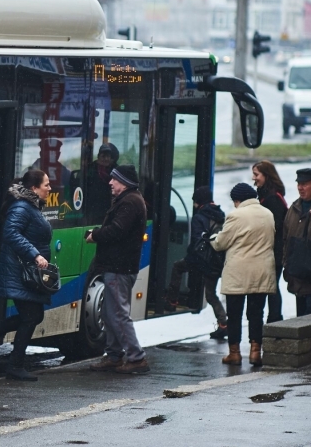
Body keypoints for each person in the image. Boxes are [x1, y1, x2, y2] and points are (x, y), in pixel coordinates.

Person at [0, 169, 53, 381]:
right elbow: (10, 233)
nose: (50, 188)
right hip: (19, 272)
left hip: (24, 272)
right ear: (34, 188)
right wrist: (35, 255)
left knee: (33, 315)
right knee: (32, 316)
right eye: (46, 184)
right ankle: (14, 364)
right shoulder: (22, 207)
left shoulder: (30, 206)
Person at [87, 164, 150, 374]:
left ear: (124, 183)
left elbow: (117, 231)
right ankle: (114, 355)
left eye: (114, 179)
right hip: (117, 265)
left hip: (119, 267)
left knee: (117, 314)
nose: (110, 182)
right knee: (108, 312)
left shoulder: (130, 202)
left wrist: (95, 235)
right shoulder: (129, 200)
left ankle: (136, 357)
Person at [210, 183, 276, 366]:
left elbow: (221, 243)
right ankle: (255, 352)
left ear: (238, 200)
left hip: (239, 272)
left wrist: (211, 238)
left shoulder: (235, 215)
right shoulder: (268, 214)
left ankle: (235, 353)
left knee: (235, 313)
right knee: (256, 313)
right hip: (262, 270)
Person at [164, 186, 228, 339]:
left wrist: (190, 256)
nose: (193, 204)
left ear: (199, 201)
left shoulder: (199, 217)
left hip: (201, 259)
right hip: (217, 260)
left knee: (178, 267)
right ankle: (223, 323)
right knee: (211, 294)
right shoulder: (220, 214)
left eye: (194, 201)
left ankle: (172, 301)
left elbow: (196, 242)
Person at [252, 160, 288, 323]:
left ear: (266, 175)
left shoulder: (272, 198)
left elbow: (275, 226)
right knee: (270, 286)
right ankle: (274, 319)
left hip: (274, 251)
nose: (254, 178)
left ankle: (274, 320)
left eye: (256, 174)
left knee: (271, 286)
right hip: (271, 250)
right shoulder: (268, 195)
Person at [282, 168, 311, 317]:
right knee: (301, 327)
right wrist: (287, 267)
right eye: (299, 184)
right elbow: (286, 240)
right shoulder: (294, 208)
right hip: (298, 280)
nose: (300, 188)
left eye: (305, 184)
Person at [85, 143, 119, 223]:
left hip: (109, 206)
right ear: (98, 157)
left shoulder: (116, 170)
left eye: (108, 156)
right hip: (93, 208)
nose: (106, 159)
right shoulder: (91, 169)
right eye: (103, 156)